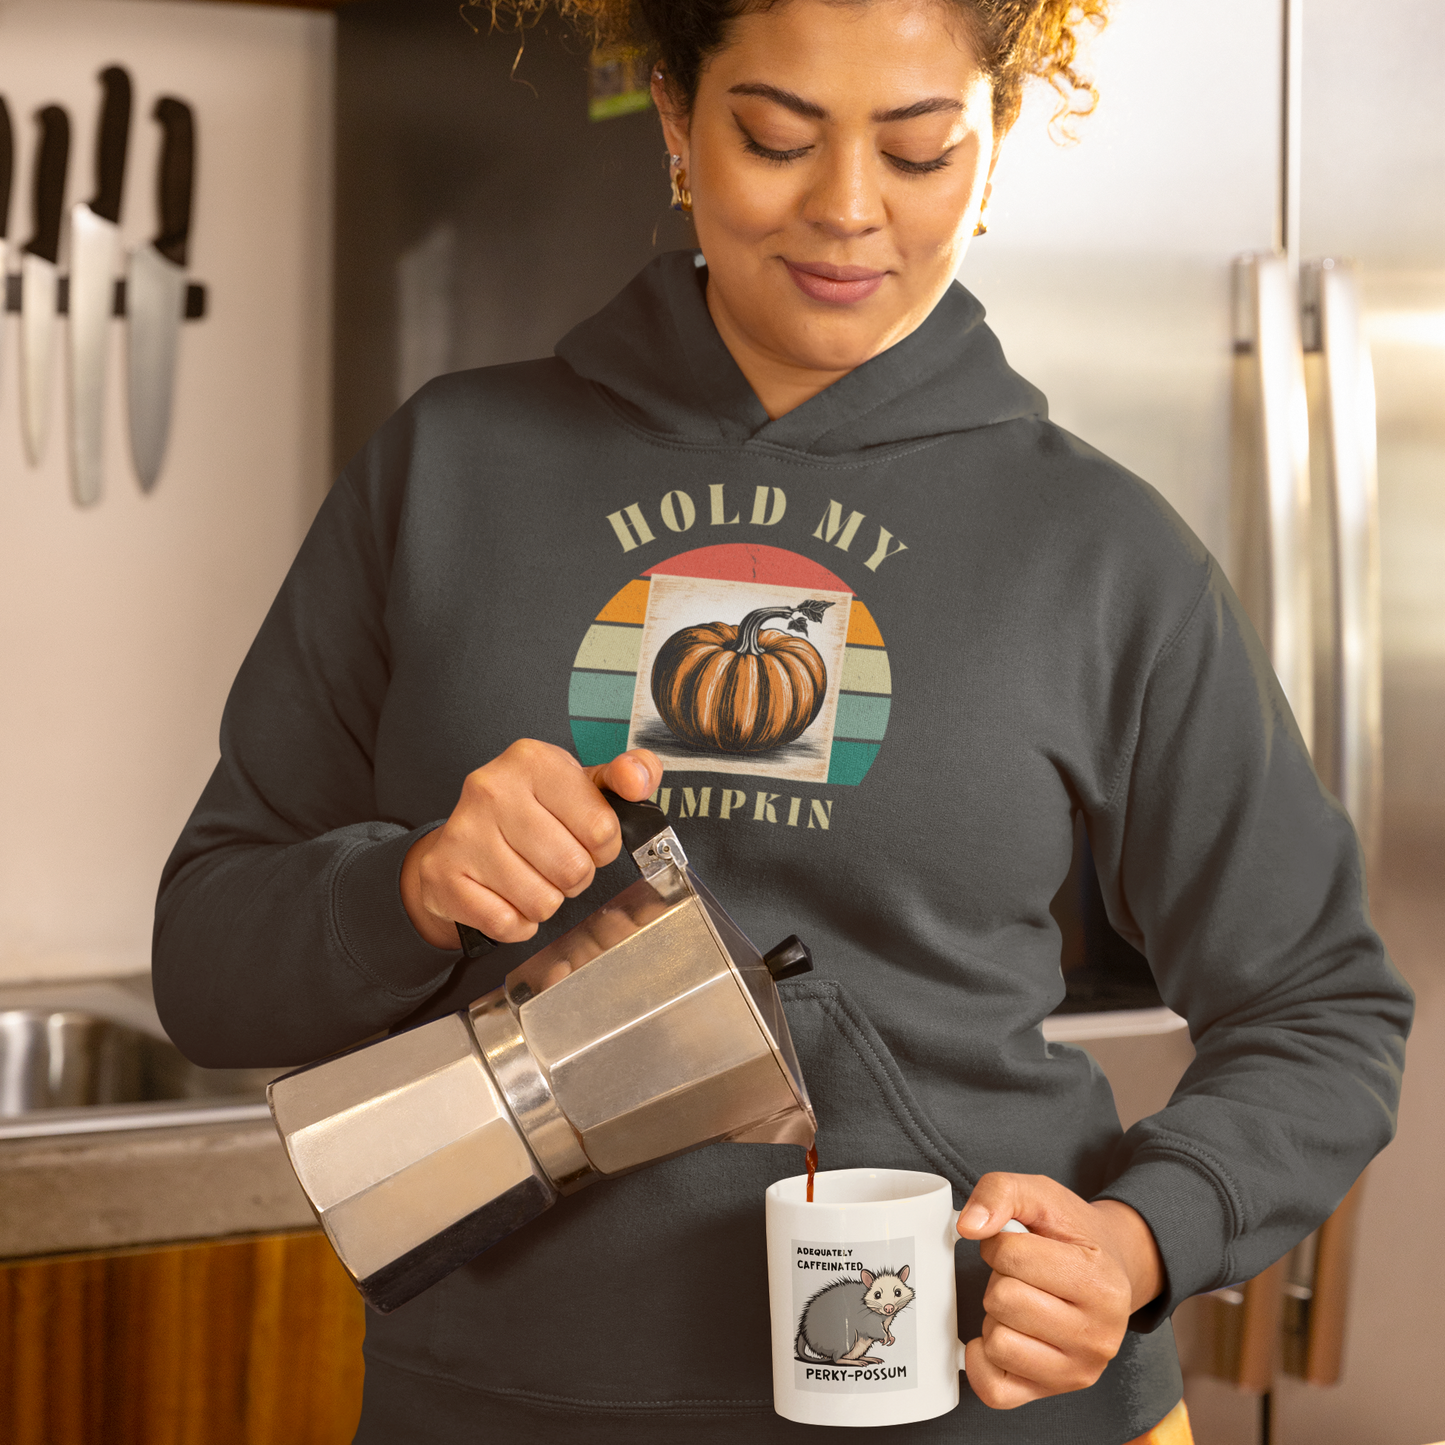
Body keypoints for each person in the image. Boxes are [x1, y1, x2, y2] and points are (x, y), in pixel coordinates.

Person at [152, 1, 1413, 1441]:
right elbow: (206, 962)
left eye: (923, 149)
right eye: (775, 137)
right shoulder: (444, 471)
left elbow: (1323, 1008)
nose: (849, 212)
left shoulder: (1104, 551)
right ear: (678, 125)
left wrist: (1139, 1244)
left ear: (993, 153)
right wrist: (413, 886)